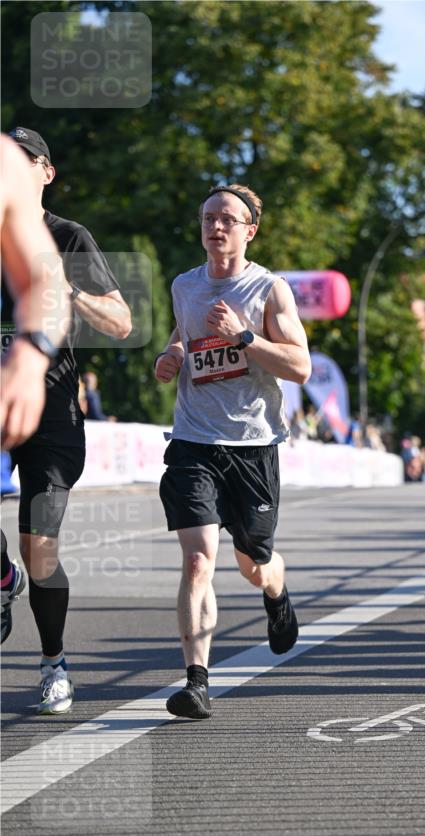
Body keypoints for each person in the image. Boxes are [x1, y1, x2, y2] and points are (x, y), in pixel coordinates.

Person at [154, 183, 311, 720]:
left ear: (250, 230)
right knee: (198, 559)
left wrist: (244, 337)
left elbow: (299, 366)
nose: (214, 226)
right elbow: (185, 335)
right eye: (206, 218)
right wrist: (171, 355)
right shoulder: (184, 285)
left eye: (227, 218)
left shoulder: (270, 289)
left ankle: (277, 591)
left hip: (252, 446)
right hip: (194, 440)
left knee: (254, 564)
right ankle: (197, 681)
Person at [1, 127, 131, 713]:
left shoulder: (68, 236)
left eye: (19, 160)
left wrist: (68, 290)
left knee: (40, 546)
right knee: (18, 563)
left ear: (45, 171)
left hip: (51, 415)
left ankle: (54, 662)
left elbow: (122, 323)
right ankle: (4, 581)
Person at [1, 133, 71, 643]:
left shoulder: (2, 164)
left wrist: (28, 356)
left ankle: (53, 659)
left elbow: (45, 284)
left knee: (40, 544)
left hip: (44, 407)